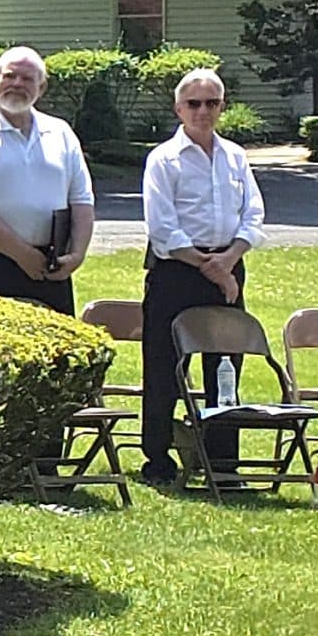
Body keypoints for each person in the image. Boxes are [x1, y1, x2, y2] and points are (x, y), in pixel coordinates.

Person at [138, 67, 268, 482]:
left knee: (226, 364)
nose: (203, 111)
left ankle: (222, 464)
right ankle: (157, 460)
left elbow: (254, 214)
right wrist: (210, 267)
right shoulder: (163, 160)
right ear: (178, 108)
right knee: (163, 365)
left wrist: (228, 260)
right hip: (176, 270)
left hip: (228, 264)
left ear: (222, 107)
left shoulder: (235, 156)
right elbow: (162, 227)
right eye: (194, 103)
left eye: (212, 103)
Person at [0, 46, 94, 313]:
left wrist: (77, 255)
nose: (17, 84)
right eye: (10, 76)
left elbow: (82, 201)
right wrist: (22, 254)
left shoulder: (61, 133)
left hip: (52, 265)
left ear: (42, 87)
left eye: (27, 79)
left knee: (55, 350)